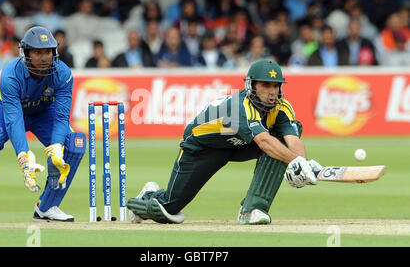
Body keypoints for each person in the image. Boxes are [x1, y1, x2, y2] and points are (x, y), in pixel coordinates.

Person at [127, 59, 323, 225]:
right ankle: (146, 197)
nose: (272, 91)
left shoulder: (281, 106)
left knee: (280, 141)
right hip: (203, 148)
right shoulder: (240, 107)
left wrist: (302, 164)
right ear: (251, 85)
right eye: (265, 85)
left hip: (240, 145)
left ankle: (252, 210)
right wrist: (295, 162)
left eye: (275, 85)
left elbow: (292, 139)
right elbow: (263, 141)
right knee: (169, 210)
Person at [0, 26, 86, 223]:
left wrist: (56, 149)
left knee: (74, 143)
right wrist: (23, 157)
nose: (44, 58)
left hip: (43, 112)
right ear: (26, 53)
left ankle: (47, 207)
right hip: (6, 109)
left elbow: (62, 118)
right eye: (37, 52)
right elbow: (14, 118)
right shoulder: (11, 73)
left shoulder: (63, 73)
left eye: (48, 52)